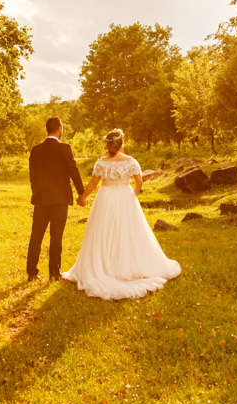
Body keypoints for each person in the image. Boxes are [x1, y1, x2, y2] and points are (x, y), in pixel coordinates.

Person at [62, 128, 181, 300]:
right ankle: (128, 267)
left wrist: (83, 197)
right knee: (128, 231)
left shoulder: (101, 162)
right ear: (122, 143)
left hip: (106, 197)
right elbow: (139, 181)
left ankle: (104, 265)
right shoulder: (131, 161)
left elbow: (94, 183)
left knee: (103, 232)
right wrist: (132, 195)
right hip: (125, 197)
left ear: (107, 144)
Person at [27, 116, 85, 282]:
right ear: (60, 129)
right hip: (60, 200)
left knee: (36, 236)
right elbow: (73, 171)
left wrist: (37, 192)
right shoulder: (65, 148)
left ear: (47, 129)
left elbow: (33, 175)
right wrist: (81, 193)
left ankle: (32, 272)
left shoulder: (36, 150)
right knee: (56, 237)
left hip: (41, 199)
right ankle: (54, 273)